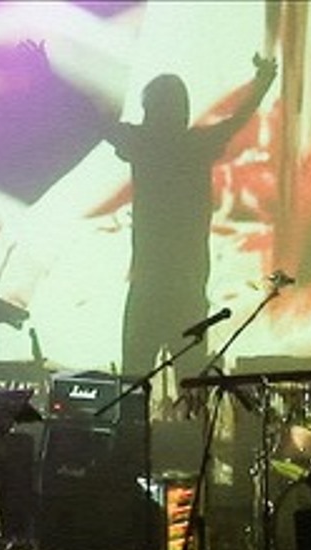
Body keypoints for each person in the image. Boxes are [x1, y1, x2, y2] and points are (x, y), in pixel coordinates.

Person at [102, 53, 277, 379]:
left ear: (150, 110)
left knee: (134, 381)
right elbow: (237, 120)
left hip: (148, 285)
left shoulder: (143, 143)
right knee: (192, 384)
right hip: (188, 286)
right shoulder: (196, 145)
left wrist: (46, 76)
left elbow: (98, 123)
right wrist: (263, 82)